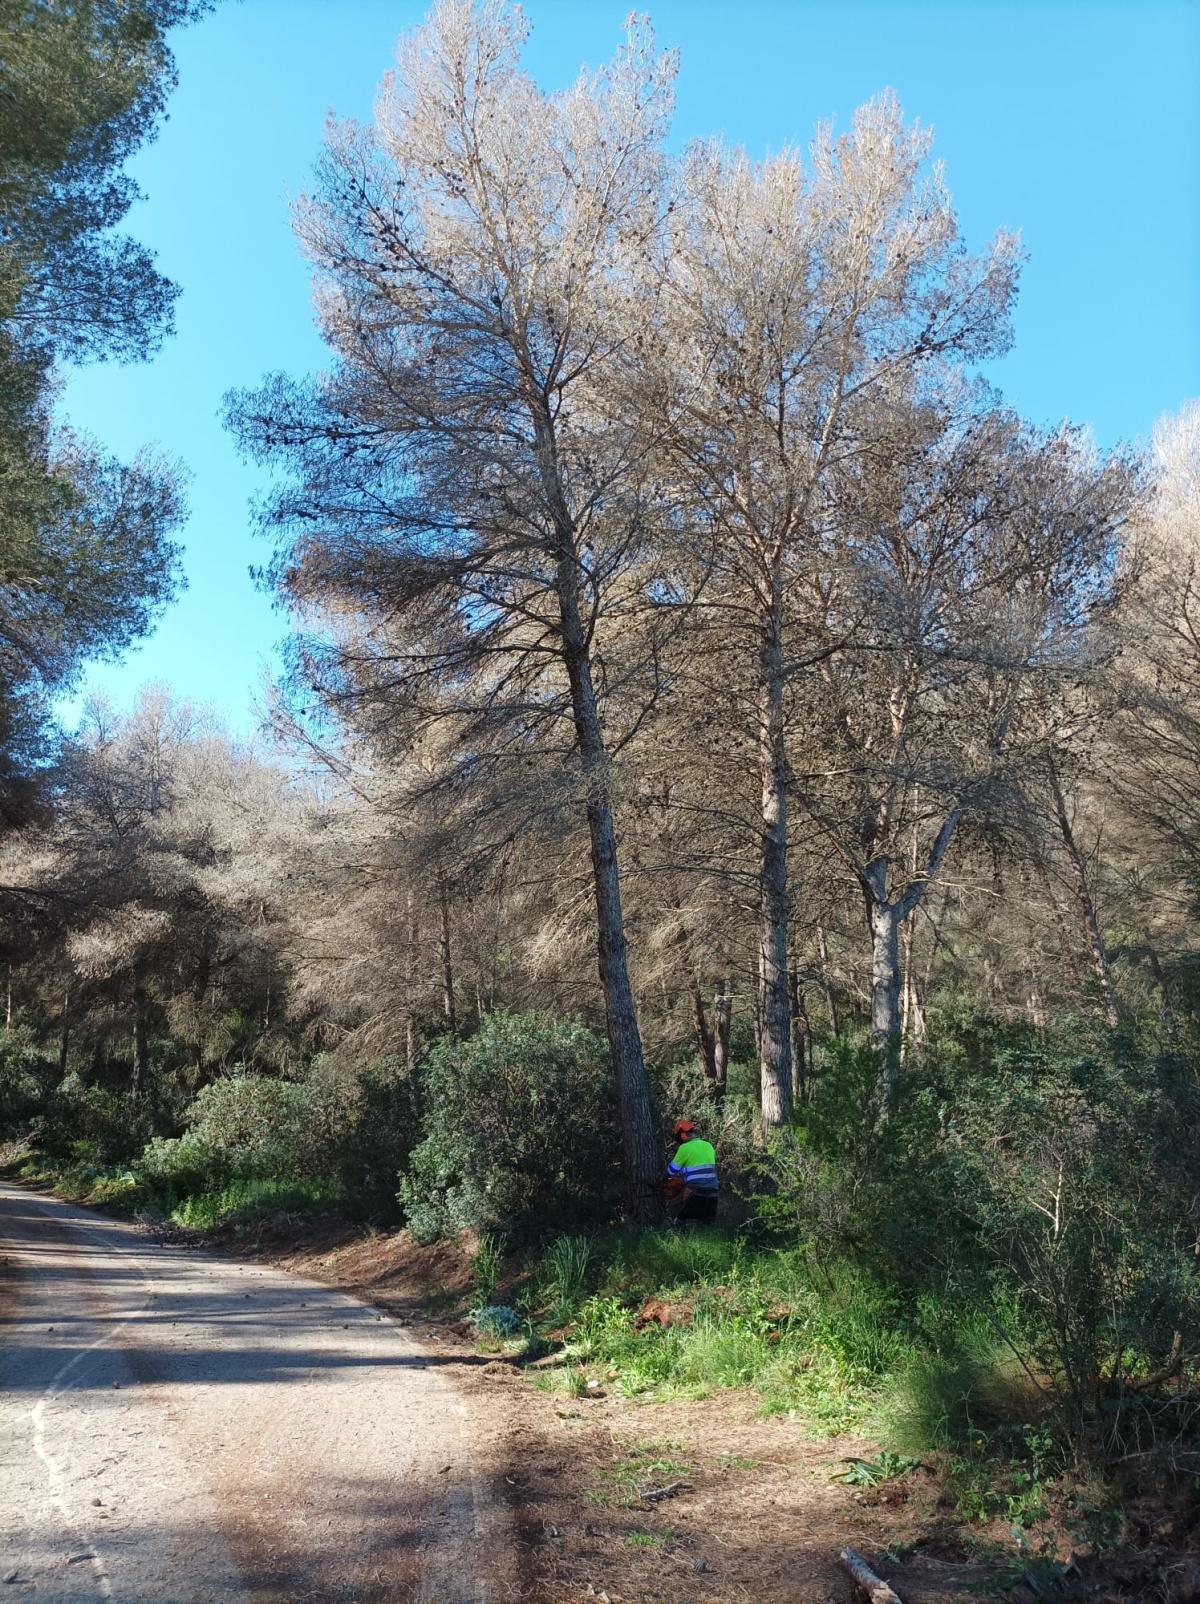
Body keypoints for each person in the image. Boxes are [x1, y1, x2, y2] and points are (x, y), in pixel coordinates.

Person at [664, 1117, 719, 1225]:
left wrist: (664, 1177)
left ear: (683, 1135)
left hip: (695, 1191)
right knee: (707, 1224)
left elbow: (671, 1171)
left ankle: (668, 1233)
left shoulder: (684, 1148)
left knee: (672, 1211)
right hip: (713, 1192)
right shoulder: (708, 1145)